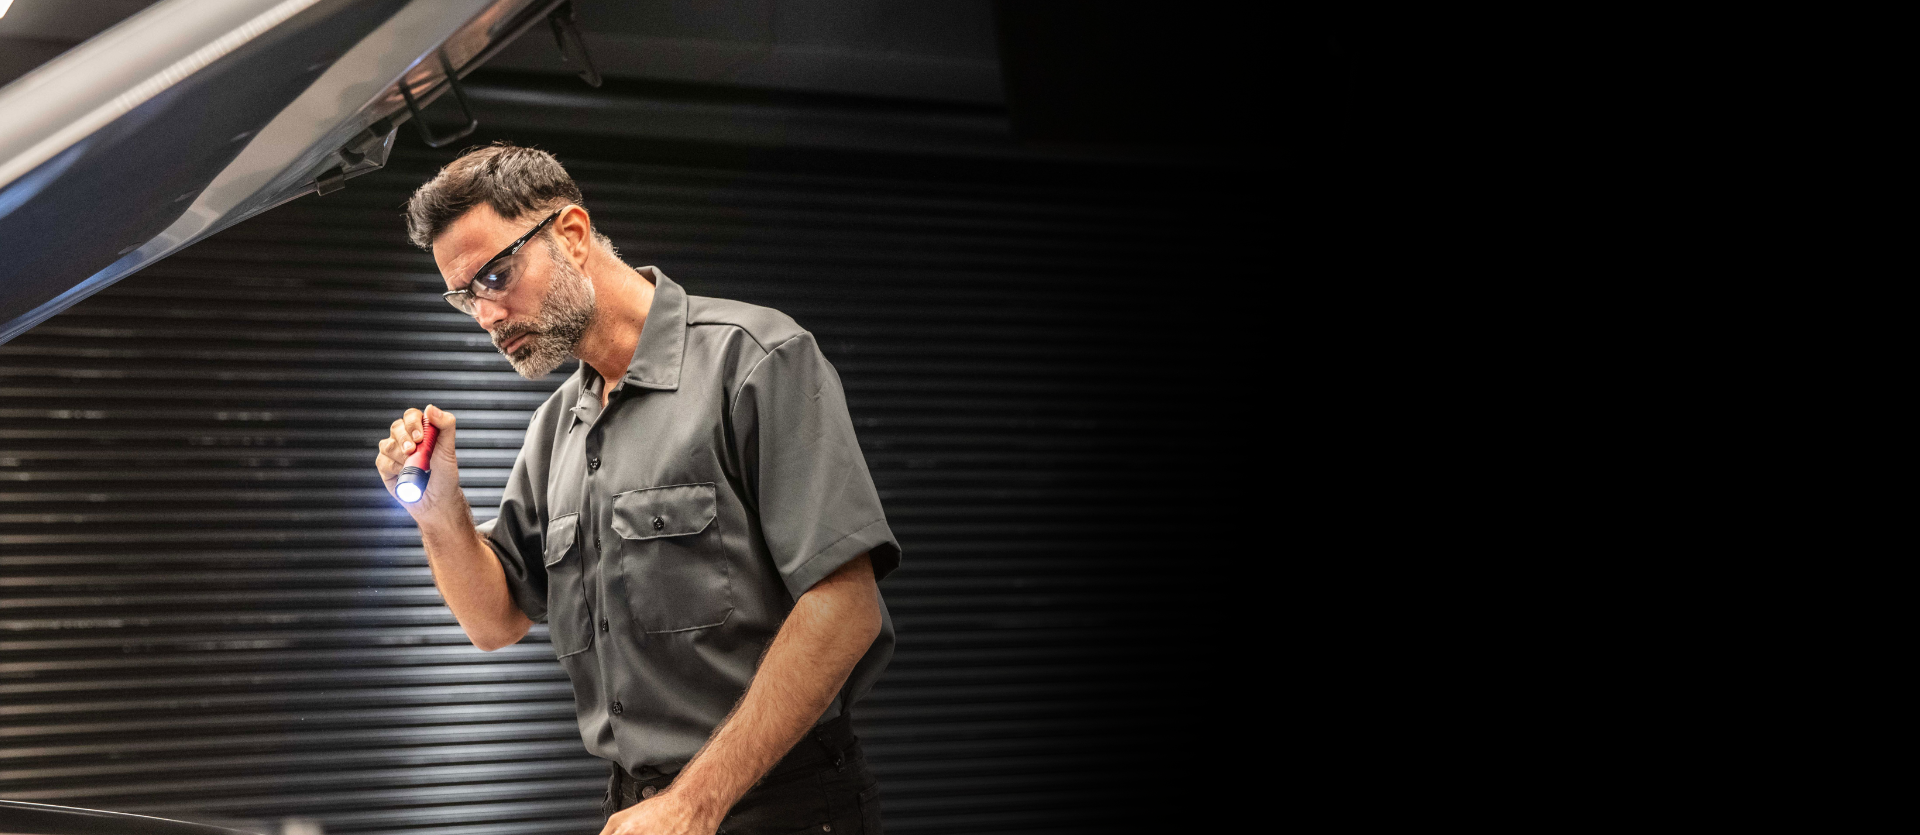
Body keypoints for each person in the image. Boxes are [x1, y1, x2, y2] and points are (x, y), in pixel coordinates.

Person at [372, 144, 899, 835]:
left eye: (496, 276)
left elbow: (846, 608)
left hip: (783, 808)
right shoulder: (556, 428)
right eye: (465, 296)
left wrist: (695, 802)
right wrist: (440, 511)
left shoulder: (754, 359)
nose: (486, 316)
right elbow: (494, 622)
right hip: (640, 810)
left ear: (572, 234)